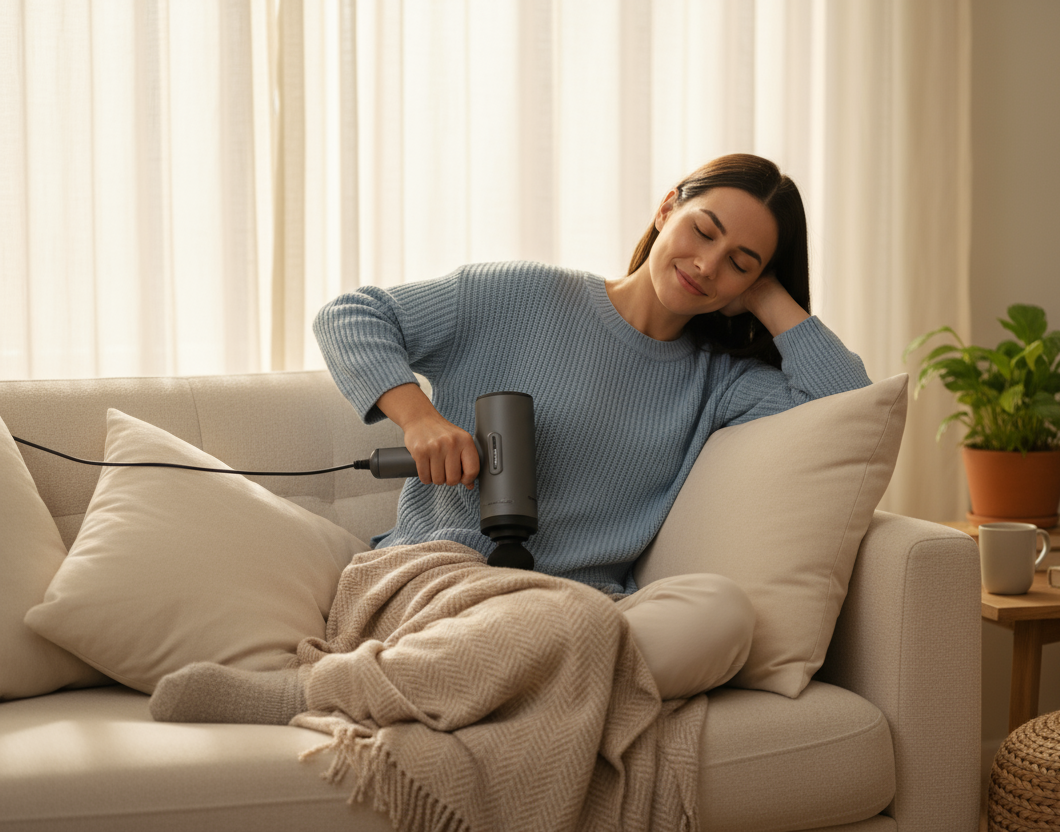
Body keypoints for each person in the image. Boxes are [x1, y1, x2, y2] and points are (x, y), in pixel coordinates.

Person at [149, 153, 870, 722]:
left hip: (583, 608)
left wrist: (769, 294)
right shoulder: (520, 294)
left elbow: (847, 404)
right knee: (571, 635)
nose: (709, 264)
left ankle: (472, 687)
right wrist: (419, 418)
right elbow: (351, 315)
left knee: (721, 616)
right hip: (441, 579)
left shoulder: (719, 383)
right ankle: (317, 694)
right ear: (667, 207)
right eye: (704, 230)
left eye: (741, 262)